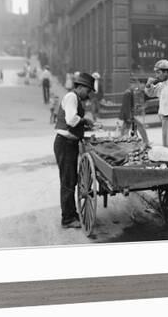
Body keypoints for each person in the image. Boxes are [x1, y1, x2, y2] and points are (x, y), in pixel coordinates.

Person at [53, 72, 96, 229]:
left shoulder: (75, 98)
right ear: (81, 87)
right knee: (67, 181)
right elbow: (71, 120)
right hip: (64, 144)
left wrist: (85, 124)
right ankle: (67, 218)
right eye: (88, 90)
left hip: (69, 144)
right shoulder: (71, 97)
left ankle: (71, 213)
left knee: (71, 179)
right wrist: (85, 120)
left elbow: (74, 121)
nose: (89, 94)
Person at [144, 59, 168, 149]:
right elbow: (151, 93)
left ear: (166, 72)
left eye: (158, 72)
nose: (156, 75)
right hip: (164, 118)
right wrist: (148, 85)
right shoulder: (163, 84)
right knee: (165, 147)